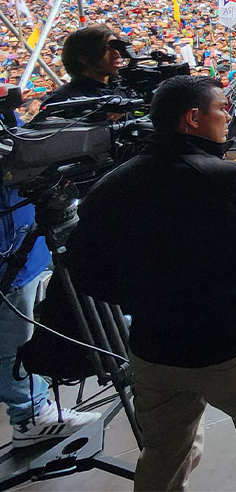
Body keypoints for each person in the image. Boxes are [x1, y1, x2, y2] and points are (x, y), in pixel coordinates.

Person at [65, 75, 236, 491]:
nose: (230, 117)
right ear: (193, 118)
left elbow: (85, 271)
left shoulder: (110, 188)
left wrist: (147, 300)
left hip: (155, 348)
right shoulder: (227, 181)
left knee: (163, 452)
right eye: (222, 109)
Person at [0, 87, 101, 445]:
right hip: (6, 252)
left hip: (22, 245)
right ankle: (29, 415)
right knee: (13, 340)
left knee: (21, 328)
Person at [41, 25, 123, 105]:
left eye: (117, 48)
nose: (117, 54)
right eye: (107, 49)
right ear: (83, 57)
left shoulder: (123, 89)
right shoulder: (63, 100)